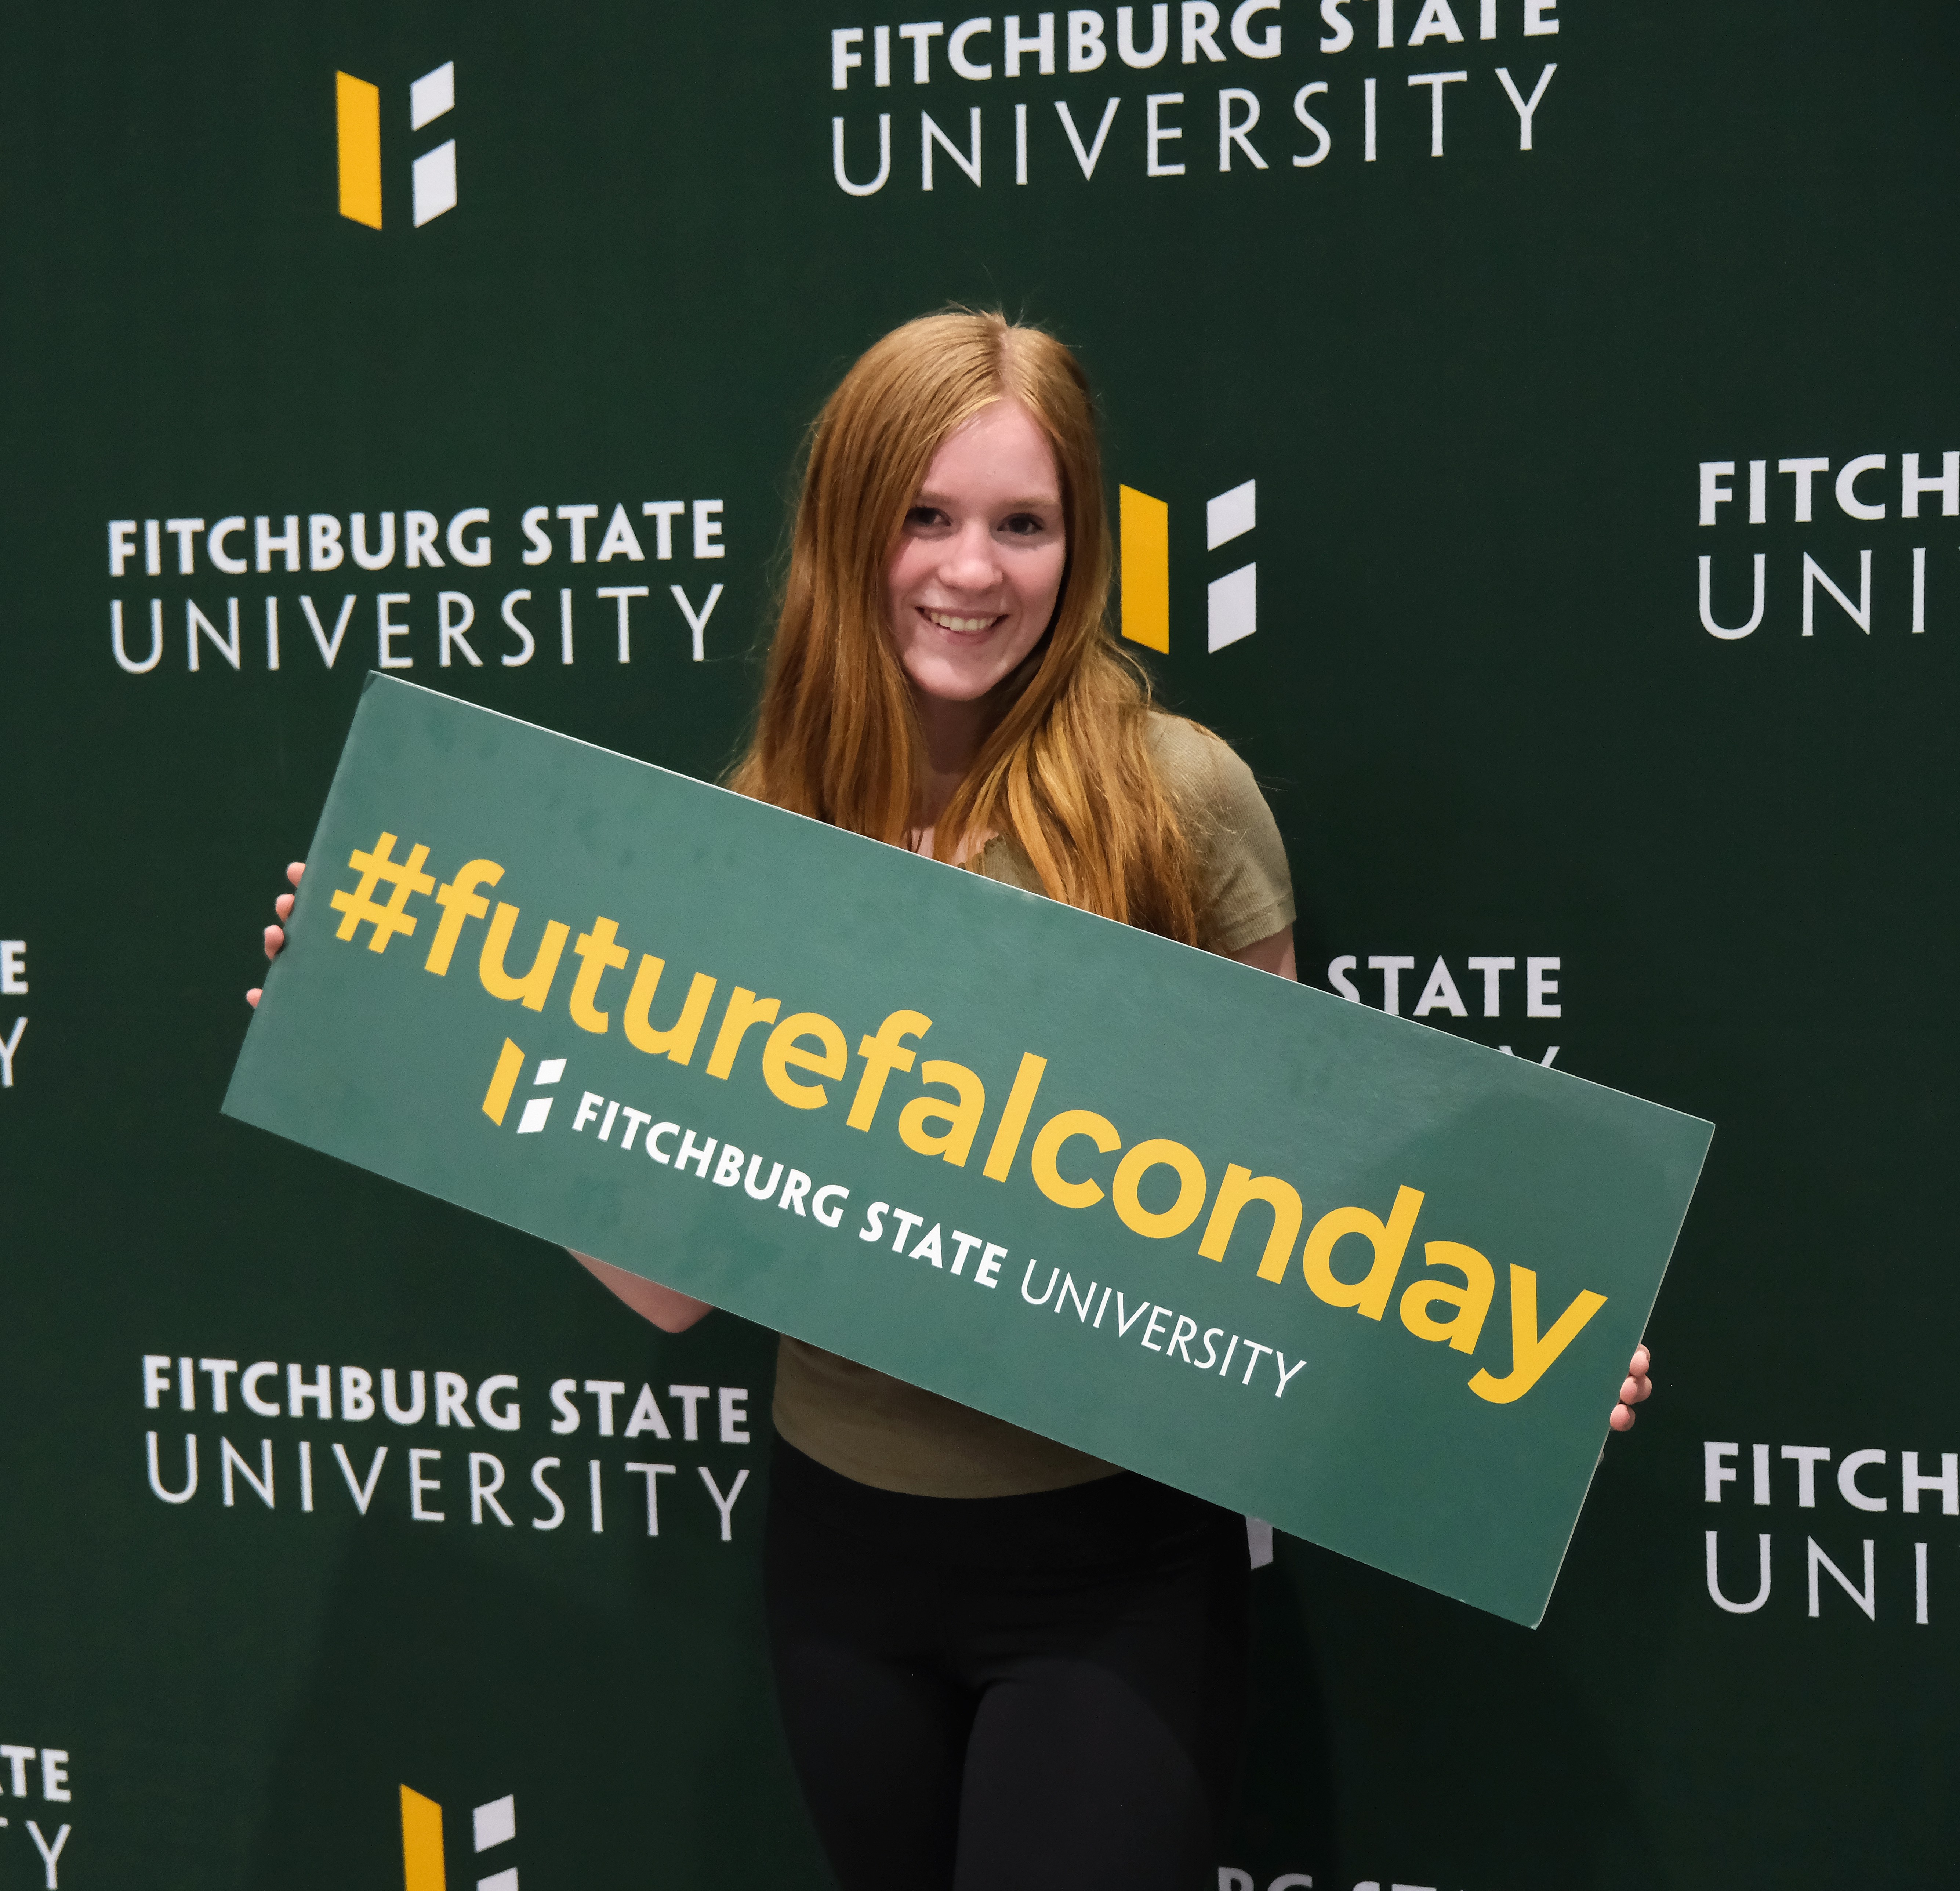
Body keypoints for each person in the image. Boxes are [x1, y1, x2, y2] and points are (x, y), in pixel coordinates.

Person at [251, 311, 1654, 1891]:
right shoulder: (758, 825)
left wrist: (1505, 1372)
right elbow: (669, 1283)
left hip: (1117, 1573)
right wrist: (415, 1029)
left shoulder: (1178, 797)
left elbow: (1300, 1212)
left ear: (1082, 545)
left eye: (1023, 524)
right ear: (850, 523)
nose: (970, 572)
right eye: (925, 515)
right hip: (842, 1561)